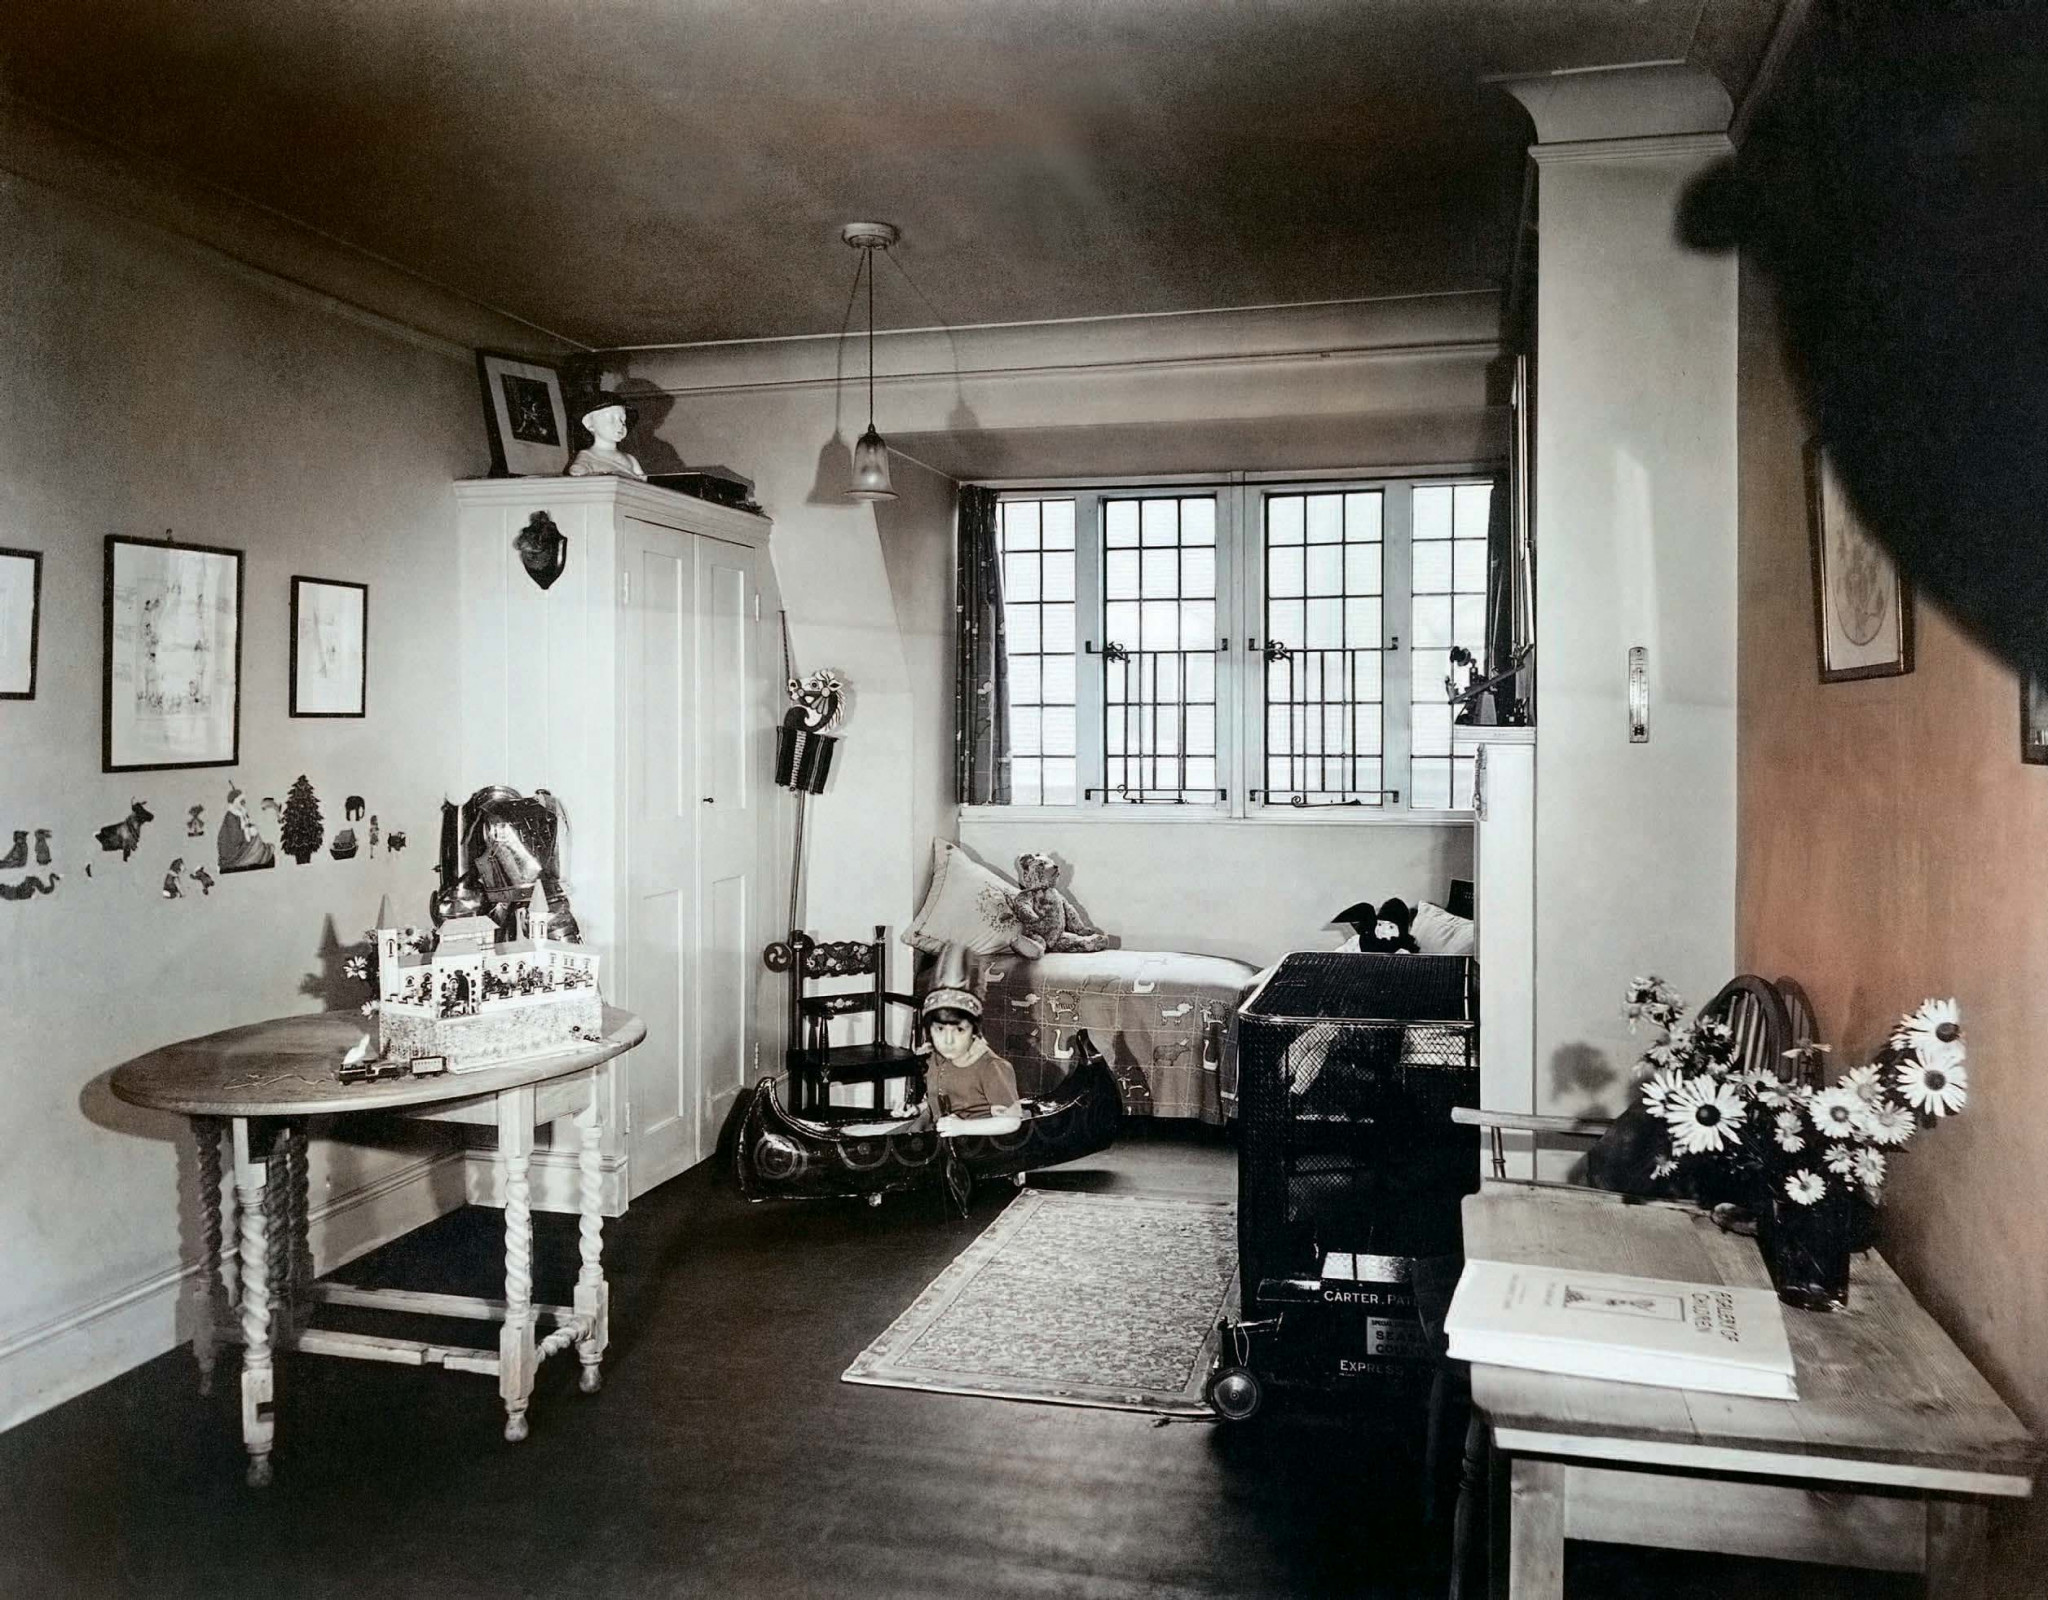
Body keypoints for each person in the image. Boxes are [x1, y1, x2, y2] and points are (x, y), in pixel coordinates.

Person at [566, 401, 646, 480]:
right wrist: (580, 469)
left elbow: (642, 482)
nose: (620, 424)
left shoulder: (630, 459)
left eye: (622, 419)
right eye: (611, 419)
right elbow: (578, 471)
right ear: (589, 424)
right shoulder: (587, 456)